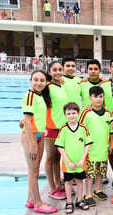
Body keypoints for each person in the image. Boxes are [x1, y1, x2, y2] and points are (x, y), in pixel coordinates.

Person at [21, 70, 57, 214]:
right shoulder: (30, 95)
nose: (39, 83)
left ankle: (30, 199)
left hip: (39, 134)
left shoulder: (39, 96)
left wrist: (22, 122)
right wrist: (32, 144)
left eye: (42, 80)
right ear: (30, 81)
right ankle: (38, 203)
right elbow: (28, 122)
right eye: (35, 79)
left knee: (34, 169)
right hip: (32, 137)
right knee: (33, 171)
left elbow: (29, 117)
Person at [55, 102, 92, 213]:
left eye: (74, 113)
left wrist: (82, 159)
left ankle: (79, 200)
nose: (71, 115)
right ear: (65, 115)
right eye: (69, 113)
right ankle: (69, 202)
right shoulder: (63, 129)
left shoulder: (83, 128)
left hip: (80, 162)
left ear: (78, 113)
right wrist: (68, 161)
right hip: (68, 163)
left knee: (80, 181)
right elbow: (60, 147)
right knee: (68, 182)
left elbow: (88, 144)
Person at [78, 86, 111, 207]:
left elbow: (111, 131)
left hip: (103, 148)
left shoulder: (108, 113)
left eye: (100, 96)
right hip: (90, 149)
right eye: (95, 97)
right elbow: (80, 130)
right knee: (90, 173)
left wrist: (110, 145)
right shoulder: (86, 113)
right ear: (90, 98)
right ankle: (88, 194)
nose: (98, 99)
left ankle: (98, 190)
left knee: (100, 171)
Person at [45, 61, 68, 200]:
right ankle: (52, 188)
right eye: (55, 70)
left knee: (57, 158)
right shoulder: (47, 87)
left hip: (61, 127)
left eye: (60, 69)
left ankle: (58, 185)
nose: (58, 72)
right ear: (49, 72)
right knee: (50, 158)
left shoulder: (61, 85)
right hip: (51, 127)